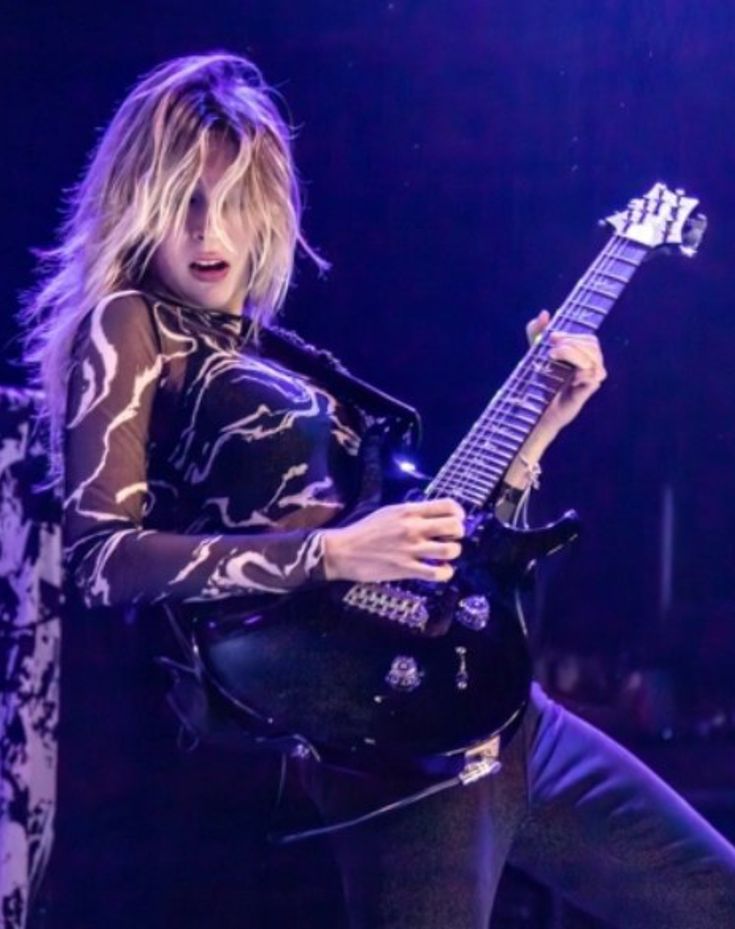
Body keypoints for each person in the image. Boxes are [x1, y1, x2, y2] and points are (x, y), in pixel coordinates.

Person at [20, 51, 735, 929]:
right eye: (185, 203)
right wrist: (337, 551)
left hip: (502, 710)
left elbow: (441, 550)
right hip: (389, 750)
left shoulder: (278, 355)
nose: (210, 234)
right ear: (141, 209)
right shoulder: (128, 324)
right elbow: (99, 560)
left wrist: (540, 429)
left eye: (233, 203)